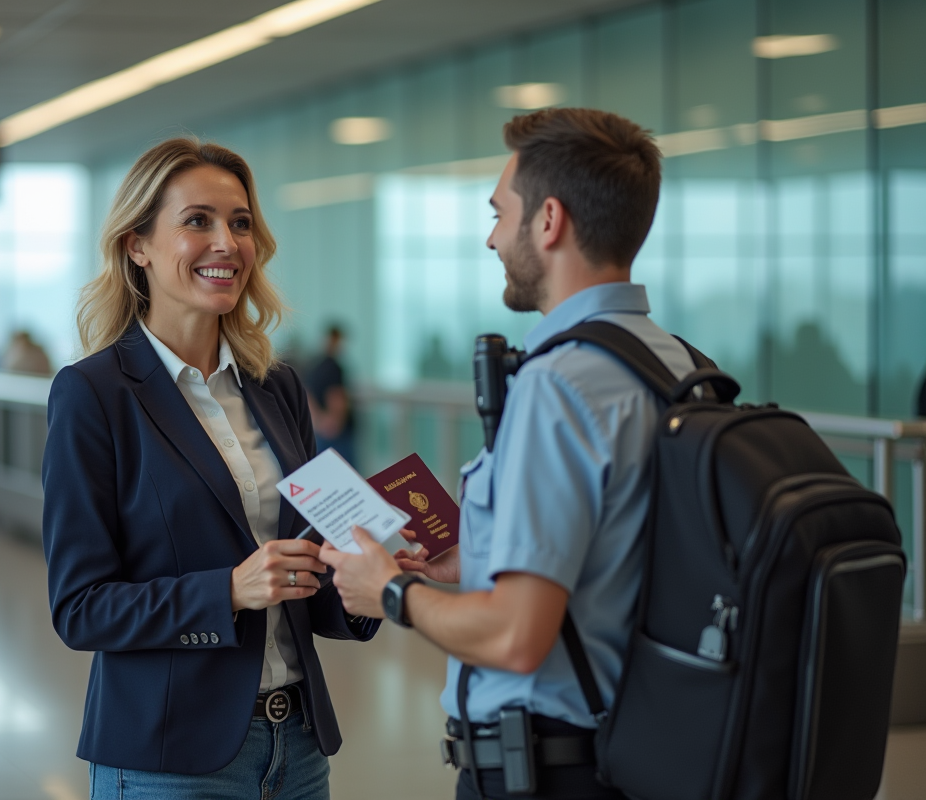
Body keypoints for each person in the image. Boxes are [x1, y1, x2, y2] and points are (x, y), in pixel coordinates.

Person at [320, 108, 693, 800]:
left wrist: (393, 591)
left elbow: (519, 638)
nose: (492, 238)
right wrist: (478, 558)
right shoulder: (675, 362)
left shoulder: (558, 385)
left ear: (548, 222)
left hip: (551, 769)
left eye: (499, 213)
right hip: (641, 748)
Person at [42, 137, 378, 800]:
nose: (227, 242)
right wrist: (227, 589)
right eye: (198, 221)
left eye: (241, 223)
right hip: (170, 758)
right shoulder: (94, 393)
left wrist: (379, 571)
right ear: (137, 244)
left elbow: (311, 559)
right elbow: (80, 608)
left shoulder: (276, 385)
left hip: (298, 748)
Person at [305, 324, 356, 465]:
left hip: (320, 429)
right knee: (346, 475)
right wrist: (335, 422)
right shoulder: (334, 367)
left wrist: (317, 421)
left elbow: (307, 394)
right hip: (335, 431)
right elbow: (336, 396)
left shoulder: (314, 365)